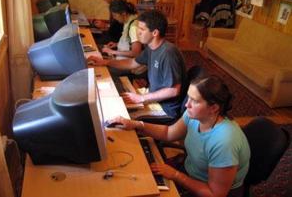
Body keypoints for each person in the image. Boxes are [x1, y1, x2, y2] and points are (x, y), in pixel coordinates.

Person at [106, 76, 251, 197]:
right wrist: (137, 125)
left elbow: (214, 194)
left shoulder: (225, 142)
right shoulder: (194, 114)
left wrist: (176, 175)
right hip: (190, 173)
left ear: (214, 108)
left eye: (194, 100)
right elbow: (169, 133)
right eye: (188, 98)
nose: (187, 104)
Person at [88, 10, 186, 120]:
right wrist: (105, 62)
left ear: (155, 33)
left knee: (119, 116)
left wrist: (142, 98)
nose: (138, 32)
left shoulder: (168, 53)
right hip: (153, 96)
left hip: (165, 109)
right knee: (113, 98)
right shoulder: (151, 47)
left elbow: (173, 90)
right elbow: (132, 63)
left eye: (142, 29)